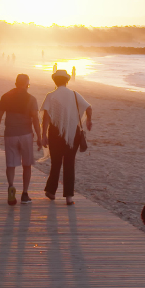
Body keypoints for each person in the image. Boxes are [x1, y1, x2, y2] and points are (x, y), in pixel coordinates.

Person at [39, 69, 92, 205]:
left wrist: (43, 134)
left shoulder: (51, 95)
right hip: (73, 134)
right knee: (69, 164)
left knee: (56, 163)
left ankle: (51, 192)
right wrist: (89, 121)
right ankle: (69, 197)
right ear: (67, 80)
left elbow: (46, 117)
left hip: (56, 133)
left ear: (55, 81)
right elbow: (88, 107)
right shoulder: (74, 94)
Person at [0, 74, 41, 205]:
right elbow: (35, 119)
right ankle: (25, 194)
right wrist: (40, 136)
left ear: (16, 83)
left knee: (11, 164)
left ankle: (11, 187)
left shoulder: (6, 96)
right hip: (26, 135)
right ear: (27, 84)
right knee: (27, 165)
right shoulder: (31, 99)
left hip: (10, 134)